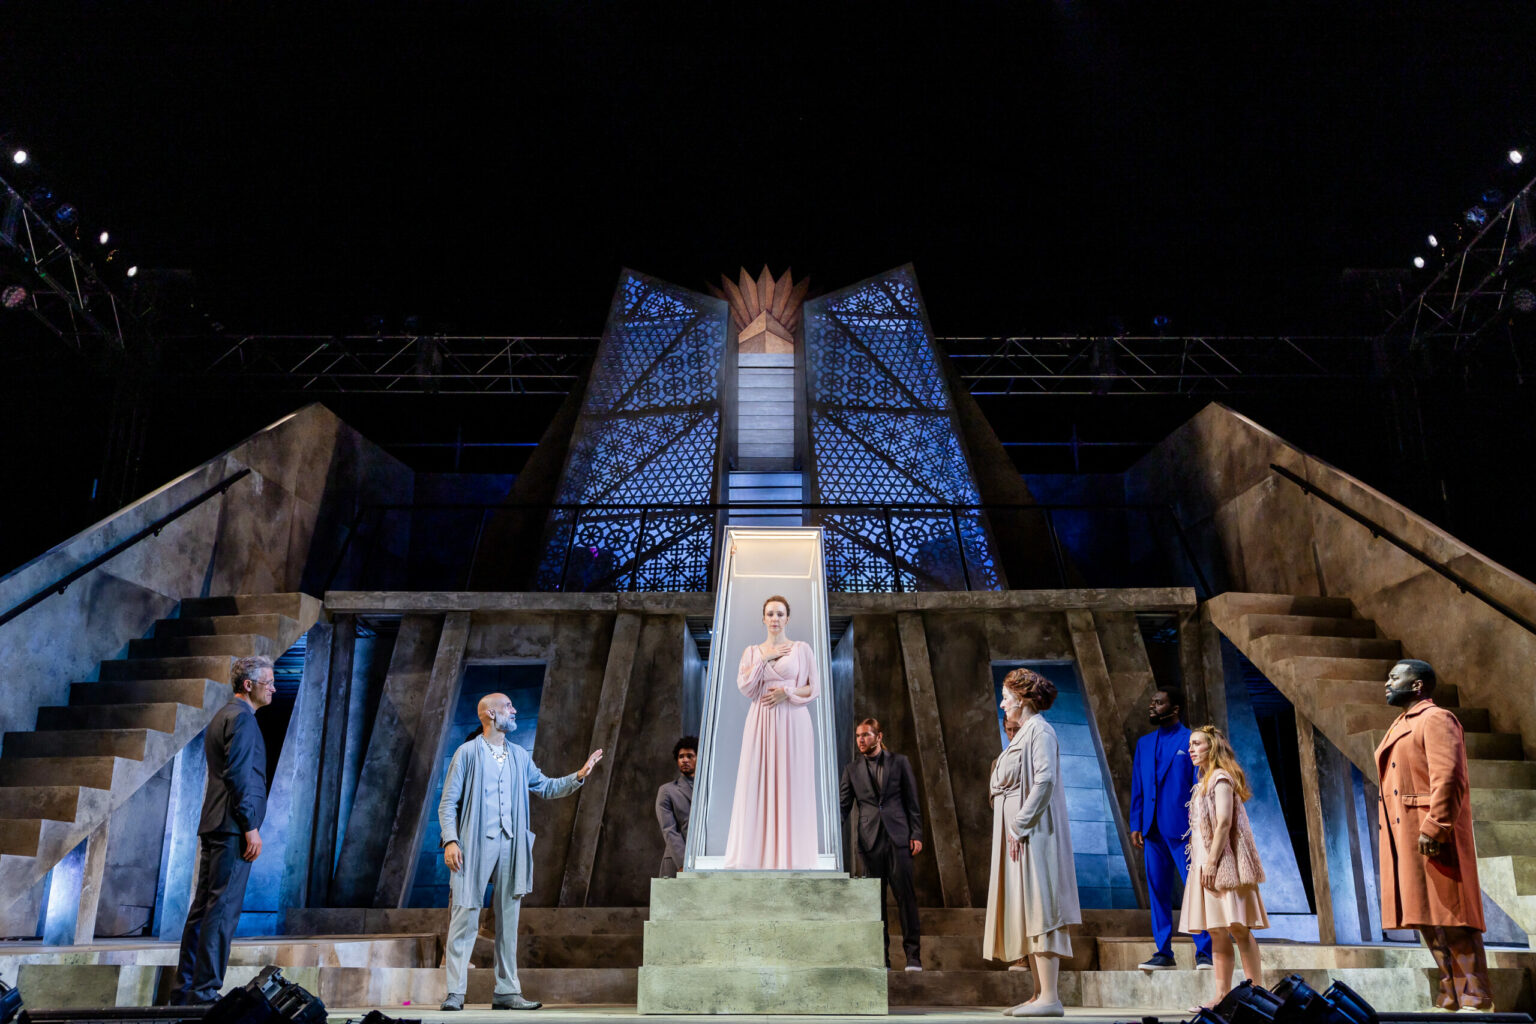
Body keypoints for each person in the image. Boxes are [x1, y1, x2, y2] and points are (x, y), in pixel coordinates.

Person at [438, 693, 603, 1011]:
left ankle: (506, 991)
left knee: (508, 920)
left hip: (512, 845)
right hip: (474, 844)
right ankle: (455, 992)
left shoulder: (518, 755)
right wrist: (451, 840)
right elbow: (448, 803)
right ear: (490, 714)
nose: (514, 710)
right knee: (465, 915)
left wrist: (579, 775)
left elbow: (546, 786)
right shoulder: (467, 753)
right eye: (508, 707)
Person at [1377, 660, 1491, 1011]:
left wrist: (1436, 826)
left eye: (1395, 677)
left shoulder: (1436, 719)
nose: (1387, 683)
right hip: (1406, 833)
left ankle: (1477, 997)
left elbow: (1450, 777)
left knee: (1452, 917)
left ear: (1417, 685)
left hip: (1429, 832)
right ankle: (1450, 994)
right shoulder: (1402, 722)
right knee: (1426, 917)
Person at [170, 655, 275, 1005]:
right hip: (232, 827)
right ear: (248, 685)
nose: (273, 688)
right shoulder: (242, 719)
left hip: (215, 824)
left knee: (203, 909)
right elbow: (239, 775)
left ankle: (185, 988)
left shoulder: (223, 715)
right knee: (222, 910)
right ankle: (203, 992)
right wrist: (250, 826)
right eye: (268, 682)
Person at [984, 668, 1080, 1018]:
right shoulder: (1024, 733)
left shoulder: (1040, 730)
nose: (1002, 704)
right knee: (1028, 908)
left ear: (1022, 699)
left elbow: (1045, 781)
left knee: (1042, 908)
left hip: (1036, 836)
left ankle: (1051, 997)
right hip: (1021, 837)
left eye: (1006, 698)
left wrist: (1019, 824)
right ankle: (1039, 994)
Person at [723, 594, 820, 870]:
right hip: (761, 720)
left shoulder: (802, 649)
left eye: (780, 614)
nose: (775, 618)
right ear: (763, 618)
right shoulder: (752, 652)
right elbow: (745, 686)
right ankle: (756, 855)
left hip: (793, 720)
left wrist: (787, 692)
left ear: (787, 618)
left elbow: (814, 688)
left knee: (793, 781)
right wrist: (765, 659)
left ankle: (793, 856)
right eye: (770, 614)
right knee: (757, 779)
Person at [1182, 726, 1268, 1012]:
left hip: (1223, 863)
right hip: (1204, 863)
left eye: (1197, 744)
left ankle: (1256, 993)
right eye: (1190, 744)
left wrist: (1212, 862)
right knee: (1217, 930)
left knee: (1238, 928)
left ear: (1212, 747)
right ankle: (1221, 996)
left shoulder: (1220, 778)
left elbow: (1224, 823)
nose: (1191, 749)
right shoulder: (1204, 781)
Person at [1129, 688, 1212, 971]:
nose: (1152, 705)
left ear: (1175, 708)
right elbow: (1138, 785)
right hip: (1151, 829)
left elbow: (1198, 785)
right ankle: (1163, 952)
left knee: (1195, 889)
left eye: (1159, 702)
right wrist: (1136, 822)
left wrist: (1198, 826)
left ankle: (1205, 951)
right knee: (1157, 891)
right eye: (1151, 701)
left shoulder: (1191, 741)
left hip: (1184, 829)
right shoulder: (1144, 743)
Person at [839, 717, 925, 971]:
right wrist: (826, 836)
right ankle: (882, 959)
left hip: (899, 839)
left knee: (906, 899)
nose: (861, 740)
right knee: (875, 903)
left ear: (879, 736)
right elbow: (842, 807)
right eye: (858, 736)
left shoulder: (900, 762)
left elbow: (912, 801)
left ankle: (913, 958)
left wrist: (916, 833)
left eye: (866, 735)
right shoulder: (852, 770)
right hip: (869, 842)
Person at [656, 736, 697, 877]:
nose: (685, 760)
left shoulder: (709, 790)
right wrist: (682, 863)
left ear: (699, 758)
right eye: (681, 756)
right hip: (677, 862)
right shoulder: (667, 791)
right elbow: (669, 829)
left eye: (689, 756)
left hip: (706, 860)